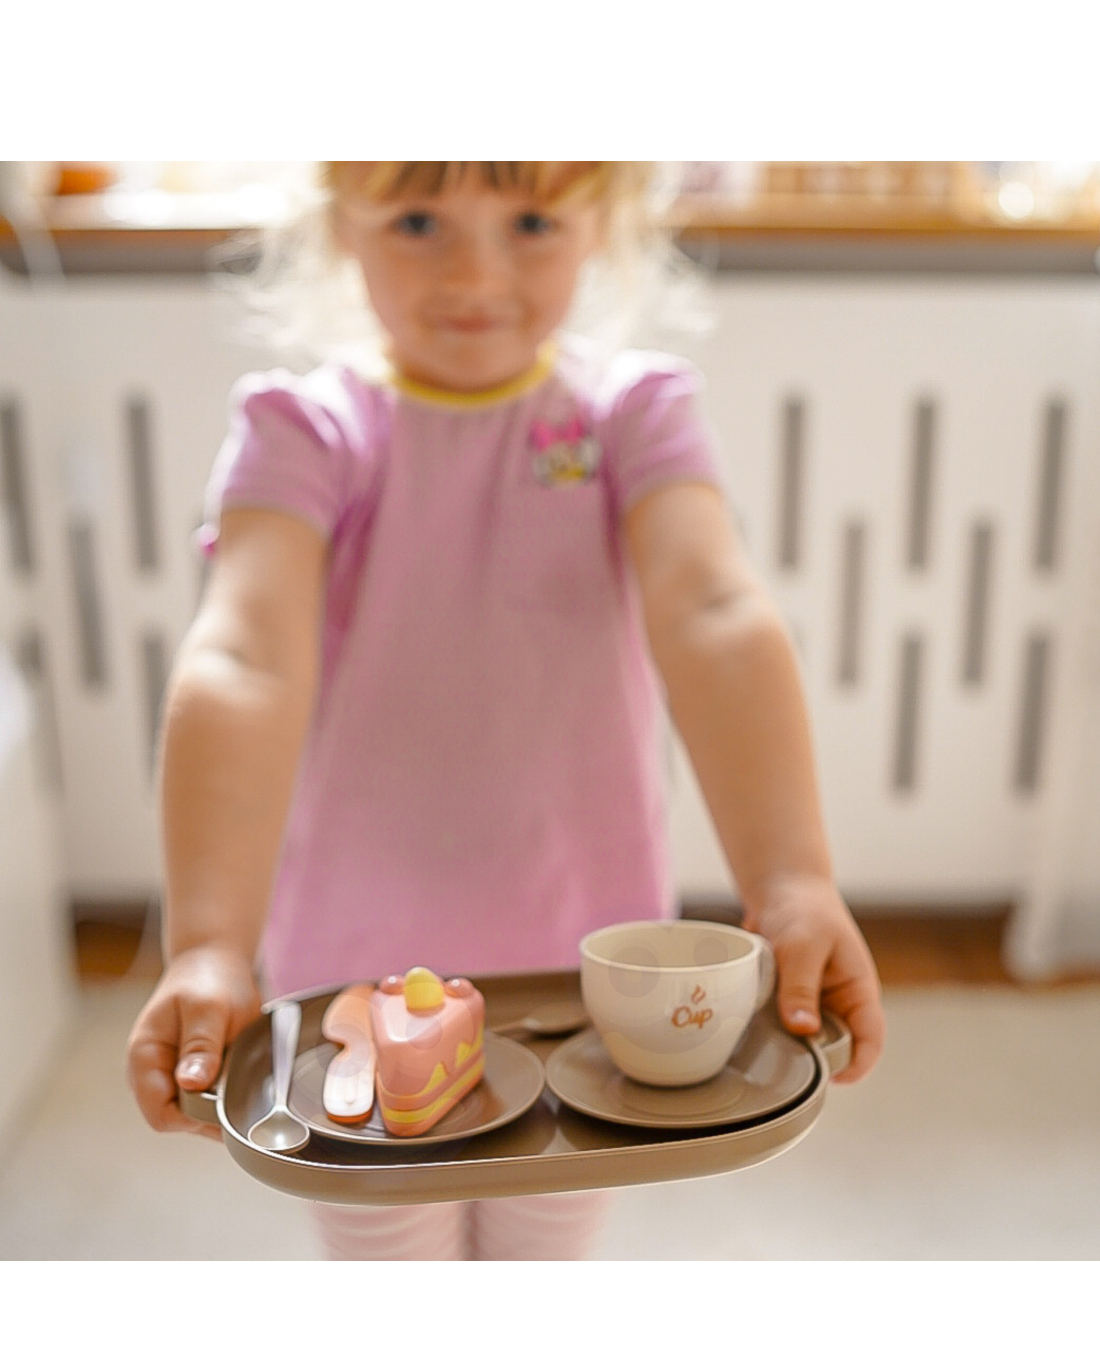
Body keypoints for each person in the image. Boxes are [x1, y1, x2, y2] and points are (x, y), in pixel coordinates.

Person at [126, 161, 885, 1261]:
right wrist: (206, 943)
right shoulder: (305, 432)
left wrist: (794, 878)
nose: (474, 273)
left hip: (596, 988)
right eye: (418, 219)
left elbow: (713, 615)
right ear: (340, 227)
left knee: (543, 1260)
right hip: (350, 993)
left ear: (601, 224)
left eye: (529, 220)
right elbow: (243, 663)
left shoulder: (632, 416)